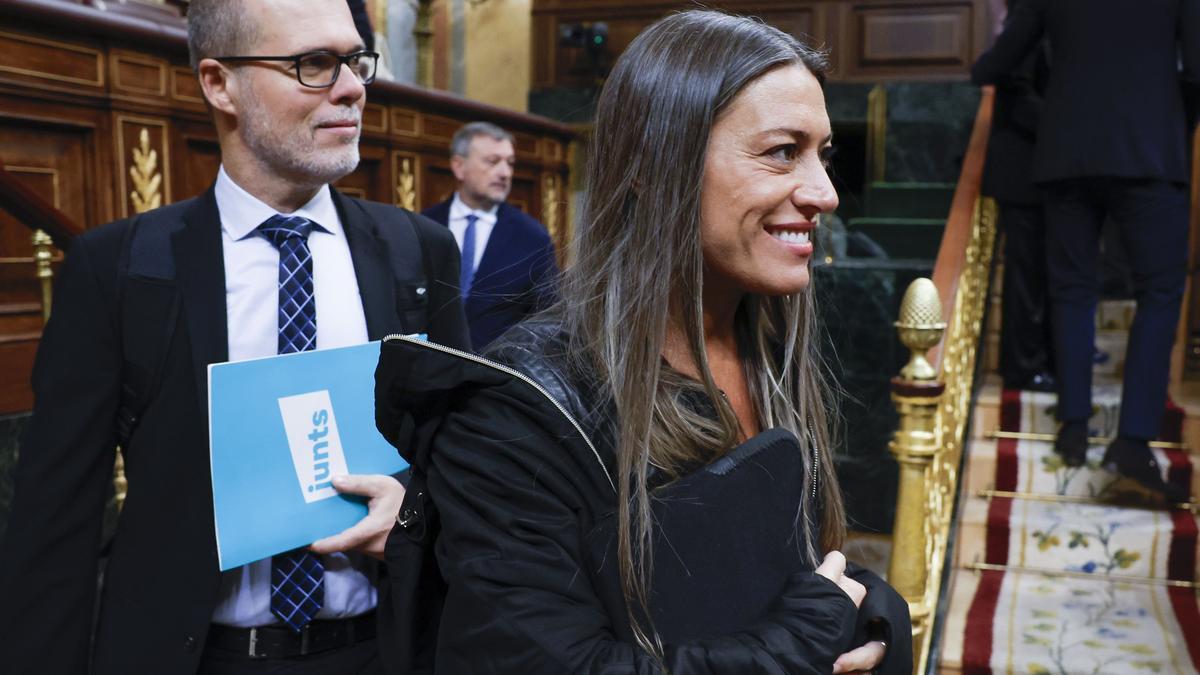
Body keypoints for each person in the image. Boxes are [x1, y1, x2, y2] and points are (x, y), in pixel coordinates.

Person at [376, 10, 911, 673]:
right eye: (782, 152)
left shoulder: (769, 344)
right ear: (652, 165)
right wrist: (802, 641)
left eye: (822, 155)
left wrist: (872, 612)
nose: (825, 193)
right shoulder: (516, 409)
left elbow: (781, 570)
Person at [0, 0, 468, 672]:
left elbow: (469, 469)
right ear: (220, 83)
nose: (351, 88)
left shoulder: (417, 252)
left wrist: (415, 511)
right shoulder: (121, 268)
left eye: (355, 60)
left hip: (382, 650)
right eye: (313, 64)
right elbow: (55, 523)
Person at [972, 0, 1199, 501]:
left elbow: (997, 62)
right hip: (1150, 151)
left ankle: (1073, 426)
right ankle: (1133, 441)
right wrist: (1173, 123)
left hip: (1066, 155)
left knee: (1071, 290)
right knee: (1160, 292)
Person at [974, 0, 1055, 392]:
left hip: (1041, 171)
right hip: (1022, 173)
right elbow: (1005, 82)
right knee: (1026, 277)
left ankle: (1044, 358)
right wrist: (1067, 123)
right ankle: (1022, 366)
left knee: (1042, 275)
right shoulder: (1029, 18)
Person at [422, 122, 559, 350]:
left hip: (498, 366)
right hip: (429, 362)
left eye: (510, 163)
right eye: (493, 161)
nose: (505, 173)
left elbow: (547, 319)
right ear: (459, 166)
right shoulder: (424, 225)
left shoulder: (533, 237)